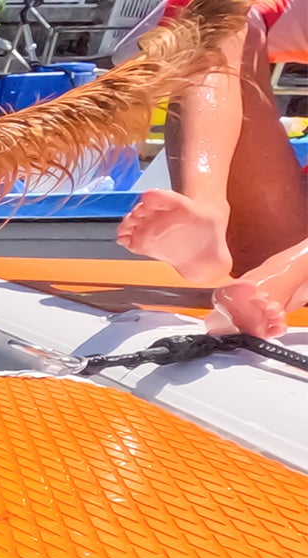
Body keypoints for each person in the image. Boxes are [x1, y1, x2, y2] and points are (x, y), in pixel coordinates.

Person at [113, 0, 308, 338]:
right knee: (219, 16)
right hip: (280, 232)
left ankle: (281, 280)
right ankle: (206, 212)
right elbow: (132, 53)